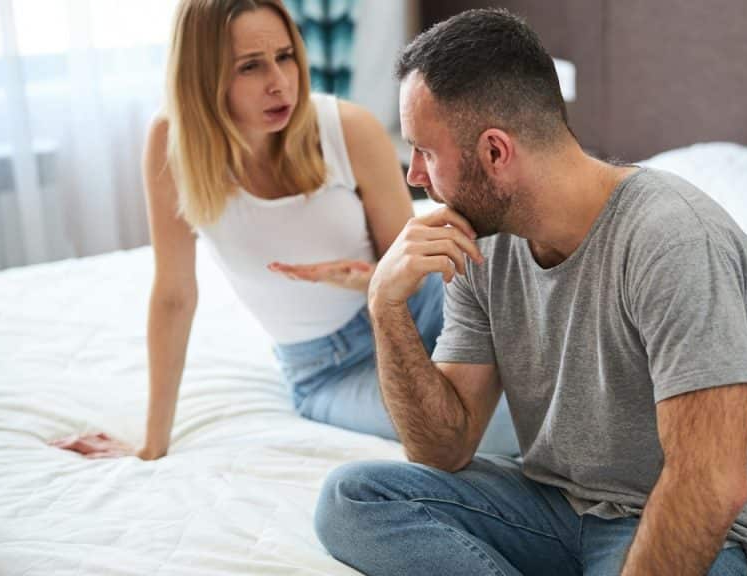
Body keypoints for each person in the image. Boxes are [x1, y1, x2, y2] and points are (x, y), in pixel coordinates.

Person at [314, 8, 747, 576]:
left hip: (706, 536)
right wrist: (386, 305)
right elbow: (443, 449)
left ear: (495, 153)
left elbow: (711, 484)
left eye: (424, 151)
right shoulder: (481, 245)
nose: (413, 177)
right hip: (556, 509)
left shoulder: (672, 239)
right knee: (351, 498)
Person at [50, 0, 518, 461]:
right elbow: (174, 294)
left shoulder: (348, 129)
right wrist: (152, 444)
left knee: (543, 346)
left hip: (422, 309)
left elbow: (408, 264)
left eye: (285, 56)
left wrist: (365, 279)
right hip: (330, 369)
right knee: (501, 423)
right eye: (250, 67)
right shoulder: (171, 146)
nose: (279, 84)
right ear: (203, 77)